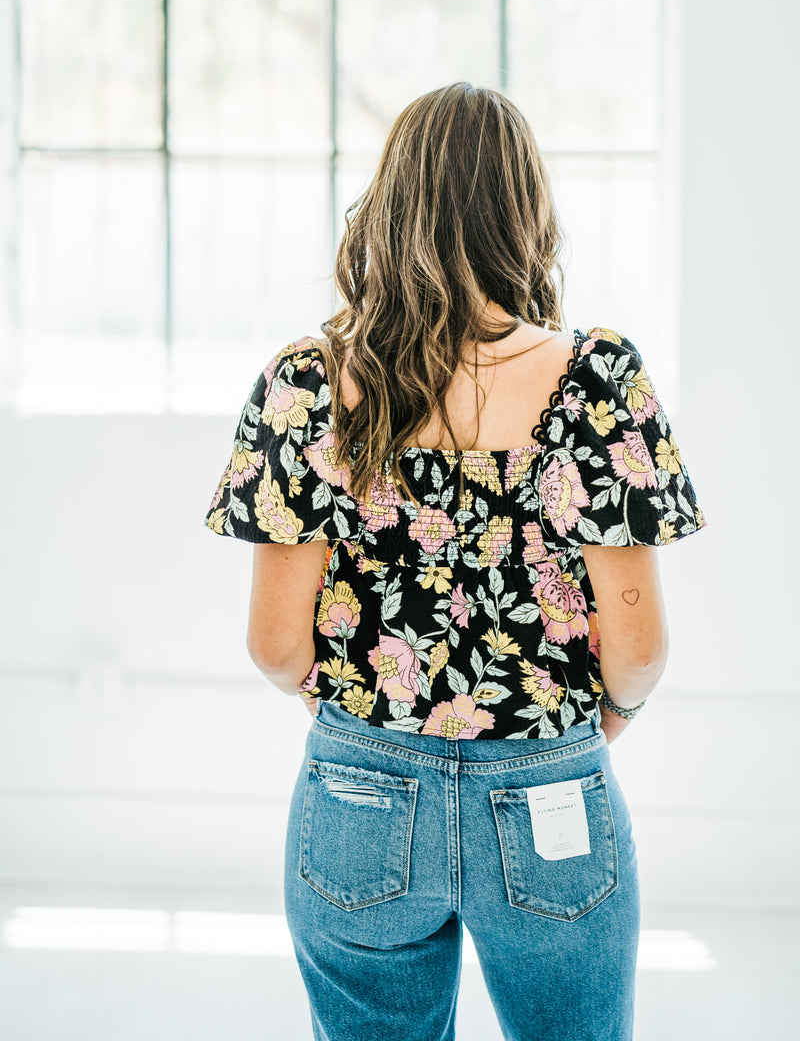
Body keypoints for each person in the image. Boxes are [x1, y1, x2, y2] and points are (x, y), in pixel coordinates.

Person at [203, 82, 708, 1041]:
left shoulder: (308, 382)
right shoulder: (598, 378)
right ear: (527, 213)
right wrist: (597, 721)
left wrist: (363, 720)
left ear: (390, 207)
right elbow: (638, 651)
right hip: (549, 778)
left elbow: (275, 645)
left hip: (359, 784)